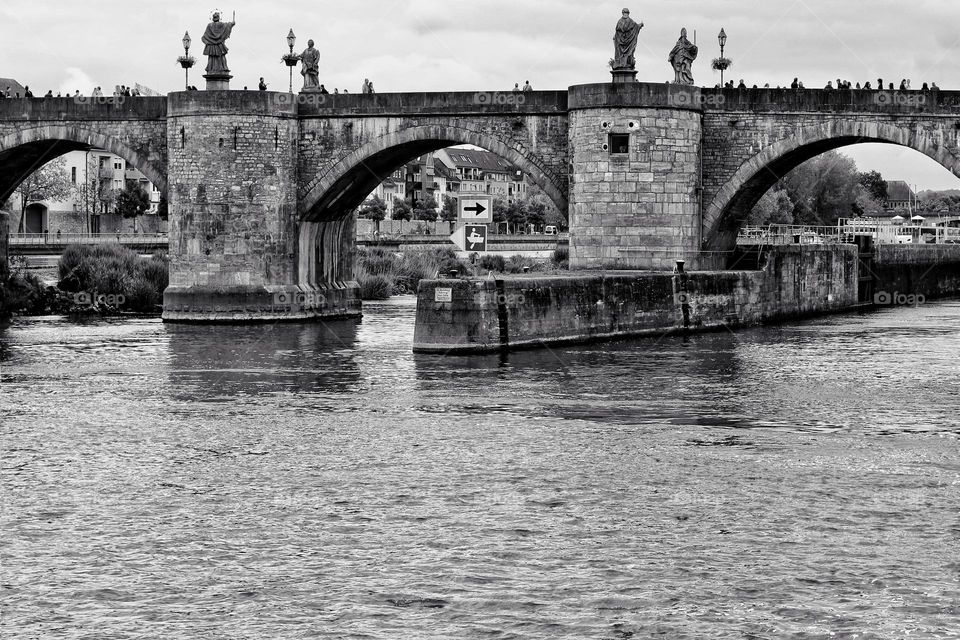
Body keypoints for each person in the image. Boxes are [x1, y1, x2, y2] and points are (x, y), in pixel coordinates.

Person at [202, 10, 236, 76]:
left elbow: (204, 37)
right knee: (221, 56)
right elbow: (228, 25)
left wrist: (209, 41)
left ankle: (211, 68)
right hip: (219, 45)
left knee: (211, 57)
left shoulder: (209, 25)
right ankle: (223, 68)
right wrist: (232, 23)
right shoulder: (221, 24)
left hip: (211, 45)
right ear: (219, 17)